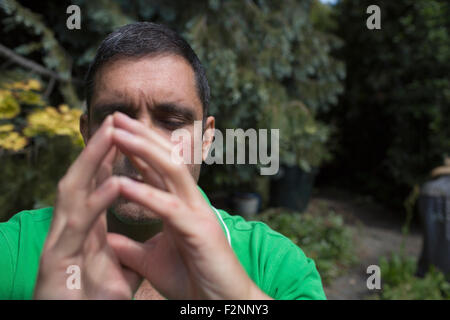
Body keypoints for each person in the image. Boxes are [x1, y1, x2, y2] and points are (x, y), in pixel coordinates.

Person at [0, 22, 326, 300]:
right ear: (87, 133)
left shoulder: (276, 267)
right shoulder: (13, 250)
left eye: (171, 122)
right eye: (117, 120)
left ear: (206, 140)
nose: (141, 146)